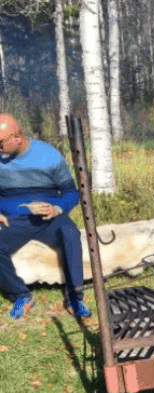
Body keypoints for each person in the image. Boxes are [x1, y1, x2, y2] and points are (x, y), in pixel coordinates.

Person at [0, 114, 90, 320]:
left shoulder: (49, 156)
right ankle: (21, 295)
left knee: (70, 234)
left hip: (50, 218)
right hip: (14, 220)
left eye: (0, 143)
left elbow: (71, 192)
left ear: (17, 136)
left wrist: (57, 208)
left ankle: (75, 297)